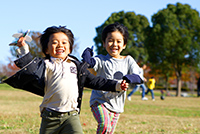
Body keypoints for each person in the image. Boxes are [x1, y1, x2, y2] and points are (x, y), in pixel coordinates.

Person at [3, 26, 131, 134]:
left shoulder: (76, 66)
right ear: (46, 49)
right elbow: (29, 67)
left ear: (70, 48)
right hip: (50, 117)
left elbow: (95, 81)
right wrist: (24, 49)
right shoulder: (46, 65)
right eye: (54, 42)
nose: (60, 45)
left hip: (71, 116)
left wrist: (117, 85)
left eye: (64, 42)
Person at [82, 22, 144, 134]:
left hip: (117, 105)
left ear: (124, 44)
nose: (114, 44)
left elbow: (139, 77)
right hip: (99, 101)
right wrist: (87, 53)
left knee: (109, 131)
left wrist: (128, 79)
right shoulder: (101, 59)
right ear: (104, 43)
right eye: (110, 40)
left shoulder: (128, 60)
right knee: (105, 126)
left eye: (119, 41)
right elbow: (89, 63)